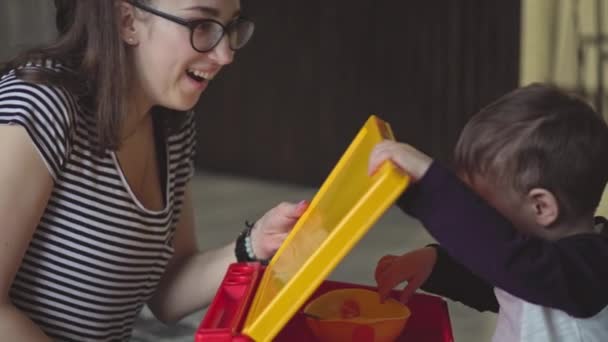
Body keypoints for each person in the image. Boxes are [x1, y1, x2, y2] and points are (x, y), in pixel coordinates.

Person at [0, 1, 308, 341]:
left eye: (229, 27)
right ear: (127, 20)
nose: (225, 55)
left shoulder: (169, 125)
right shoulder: (37, 106)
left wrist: (253, 245)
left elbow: (167, 291)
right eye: (201, 25)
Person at [368, 84, 608, 341]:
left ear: (541, 207)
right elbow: (502, 281)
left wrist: (430, 183)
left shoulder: (593, 268)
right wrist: (436, 265)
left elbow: (512, 262)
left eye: (480, 204)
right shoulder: (536, 265)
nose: (477, 215)